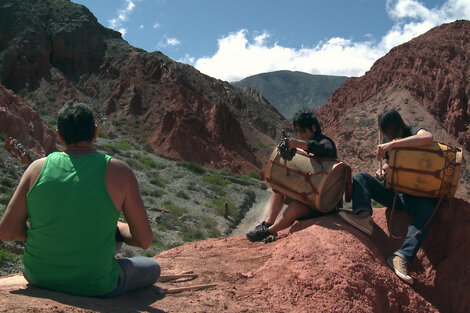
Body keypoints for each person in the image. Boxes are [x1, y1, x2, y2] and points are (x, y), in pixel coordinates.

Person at [0, 102, 160, 297]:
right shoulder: (120, 171)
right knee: (152, 266)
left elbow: (6, 232)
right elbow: (144, 240)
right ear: (95, 132)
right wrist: (116, 228)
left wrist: (52, 231)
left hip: (38, 276)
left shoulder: (36, 168)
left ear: (59, 135)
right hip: (97, 284)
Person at [339, 108, 435, 285]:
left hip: (413, 194)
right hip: (394, 192)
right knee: (361, 178)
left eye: (390, 130)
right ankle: (363, 216)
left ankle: (402, 257)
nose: (389, 135)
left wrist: (393, 145)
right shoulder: (388, 139)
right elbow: (392, 165)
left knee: (427, 211)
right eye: (386, 132)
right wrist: (382, 171)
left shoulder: (412, 131)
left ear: (397, 124)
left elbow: (427, 138)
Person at [246, 110, 337, 243]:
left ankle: (268, 232)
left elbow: (326, 150)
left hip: (323, 203)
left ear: (314, 127)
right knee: (278, 189)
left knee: (295, 209)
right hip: (307, 195)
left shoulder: (325, 142)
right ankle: (267, 223)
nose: (300, 134)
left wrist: (298, 144)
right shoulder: (304, 146)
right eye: (298, 131)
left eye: (303, 130)